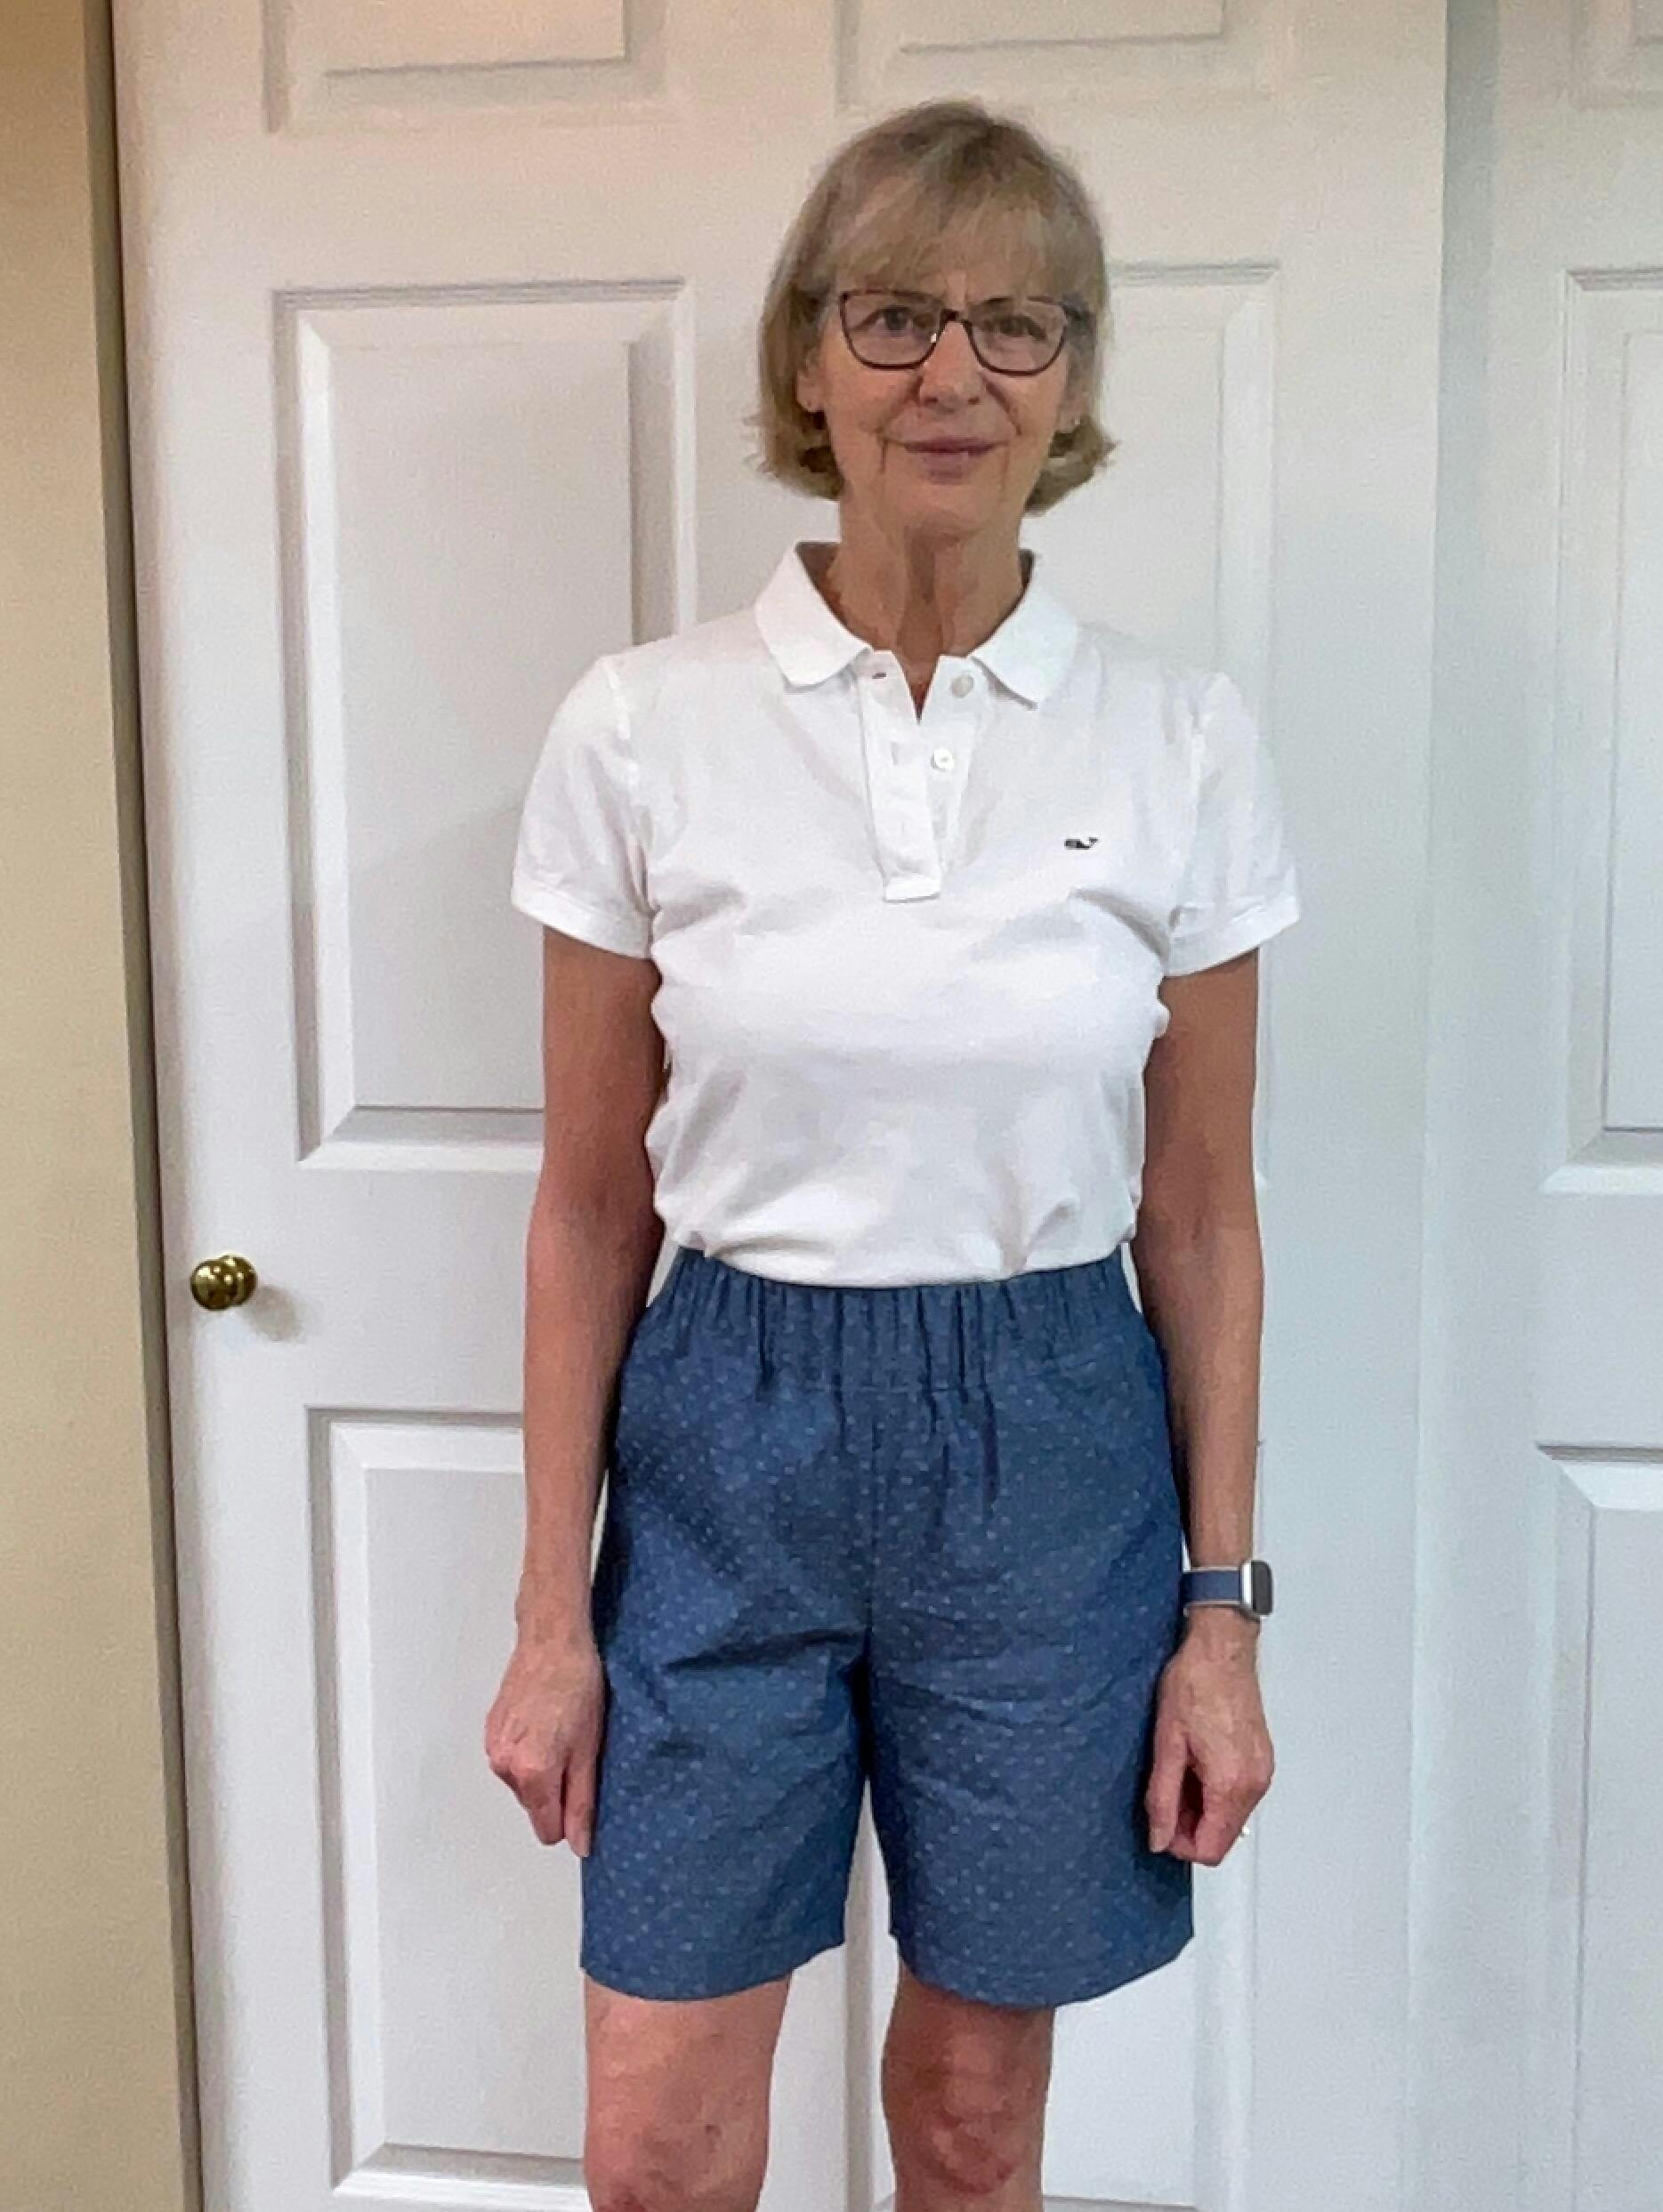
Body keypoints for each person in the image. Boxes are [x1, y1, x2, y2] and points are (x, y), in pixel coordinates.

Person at [487, 94, 1300, 2212]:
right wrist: (553, 1613)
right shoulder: (644, 725)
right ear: (809, 356)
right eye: (895, 315)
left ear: (1075, 377)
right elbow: (591, 1207)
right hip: (725, 1447)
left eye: (1018, 324)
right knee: (656, 2146)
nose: (954, 372)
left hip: (1050, 1449)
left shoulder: (1179, 736)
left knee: (967, 2122)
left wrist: (1219, 1614)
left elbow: (1201, 1218)